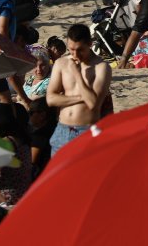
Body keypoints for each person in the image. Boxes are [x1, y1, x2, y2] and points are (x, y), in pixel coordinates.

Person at [47, 24, 112, 154]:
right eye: (71, 49)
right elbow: (51, 99)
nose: (75, 54)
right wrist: (82, 98)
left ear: (90, 44)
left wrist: (77, 74)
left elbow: (93, 104)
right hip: (63, 129)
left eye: (80, 49)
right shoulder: (61, 63)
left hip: (86, 129)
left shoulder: (101, 67)